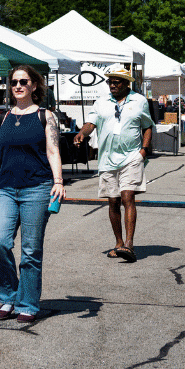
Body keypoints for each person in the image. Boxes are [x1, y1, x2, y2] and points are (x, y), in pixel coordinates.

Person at [0, 66, 64, 324]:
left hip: (37, 189)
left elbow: (52, 151)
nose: (18, 86)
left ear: (34, 86)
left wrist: (59, 181)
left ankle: (28, 303)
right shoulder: (3, 118)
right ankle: (8, 297)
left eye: (23, 81)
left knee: (30, 250)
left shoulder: (45, 116)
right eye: (14, 82)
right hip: (5, 188)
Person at [73, 63, 153, 263]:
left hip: (132, 157)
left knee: (128, 197)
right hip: (107, 158)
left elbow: (148, 126)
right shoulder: (101, 103)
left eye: (117, 82)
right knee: (113, 201)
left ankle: (129, 244)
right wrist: (82, 134)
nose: (112, 85)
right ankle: (118, 243)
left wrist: (143, 150)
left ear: (127, 84)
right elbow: (91, 123)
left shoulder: (139, 101)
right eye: (110, 82)